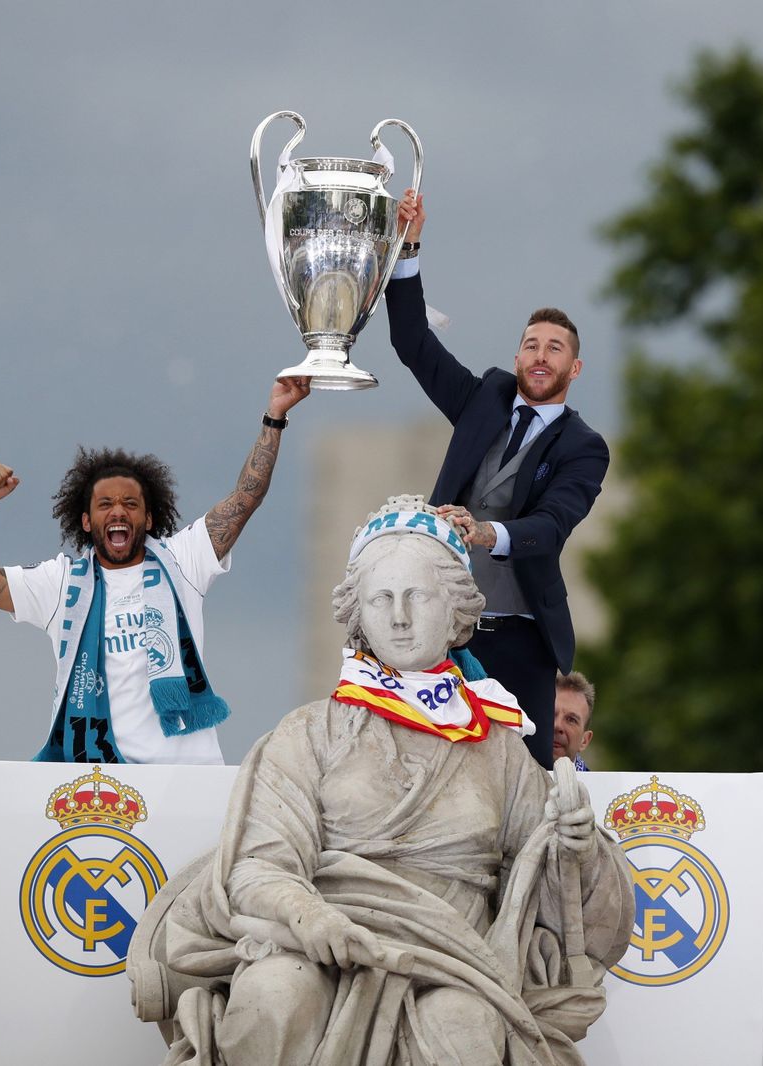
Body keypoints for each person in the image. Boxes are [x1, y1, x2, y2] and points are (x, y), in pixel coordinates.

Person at [129, 496, 633, 1066]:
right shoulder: (309, 733)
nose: (398, 617)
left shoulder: (500, 747)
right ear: (359, 613)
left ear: (456, 610)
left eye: (416, 596)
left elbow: (561, 896)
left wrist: (579, 845)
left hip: (452, 961)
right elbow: (258, 866)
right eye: (381, 598)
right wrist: (309, 917)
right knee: (273, 994)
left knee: (463, 1029)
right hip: (318, 945)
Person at [0, 378, 311, 764]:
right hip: (101, 789)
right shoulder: (60, 583)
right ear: (86, 521)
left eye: (130, 504)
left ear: (149, 518)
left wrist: (275, 417)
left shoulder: (183, 560)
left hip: (187, 784)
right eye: (105, 504)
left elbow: (246, 497)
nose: (118, 511)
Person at [385, 189, 610, 770]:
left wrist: (487, 533)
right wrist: (409, 244)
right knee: (425, 769)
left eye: (554, 348)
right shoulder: (485, 396)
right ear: (516, 359)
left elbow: (551, 525)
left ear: (573, 368)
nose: (540, 355)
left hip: (520, 634)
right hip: (445, 627)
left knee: (520, 783)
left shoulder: (585, 448)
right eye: (530, 345)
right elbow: (413, 343)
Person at [553, 670, 597, 771]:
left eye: (571, 720)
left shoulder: (597, 786)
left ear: (584, 741)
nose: (557, 725)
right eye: (551, 715)